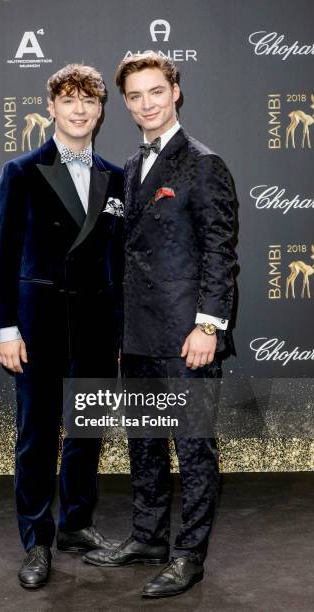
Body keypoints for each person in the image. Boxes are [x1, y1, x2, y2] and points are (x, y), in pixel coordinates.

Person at [83, 52, 238, 599]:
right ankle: (148, 537)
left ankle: (188, 554)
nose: (146, 103)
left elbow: (220, 251)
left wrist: (209, 326)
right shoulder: (129, 168)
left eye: (155, 91)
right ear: (124, 103)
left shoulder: (203, 163)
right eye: (134, 96)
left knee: (193, 447)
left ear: (176, 91)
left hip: (187, 337)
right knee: (145, 442)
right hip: (138, 335)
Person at [0, 64, 124, 589]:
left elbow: (117, 262)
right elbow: (1, 257)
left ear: (100, 109)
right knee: (38, 437)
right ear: (51, 107)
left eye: (89, 101)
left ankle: (77, 525)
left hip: (94, 329)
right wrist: (5, 329)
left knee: (87, 434)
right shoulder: (20, 171)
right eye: (68, 100)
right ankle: (37, 539)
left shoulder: (117, 175)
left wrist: (119, 332)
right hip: (37, 327)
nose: (80, 110)